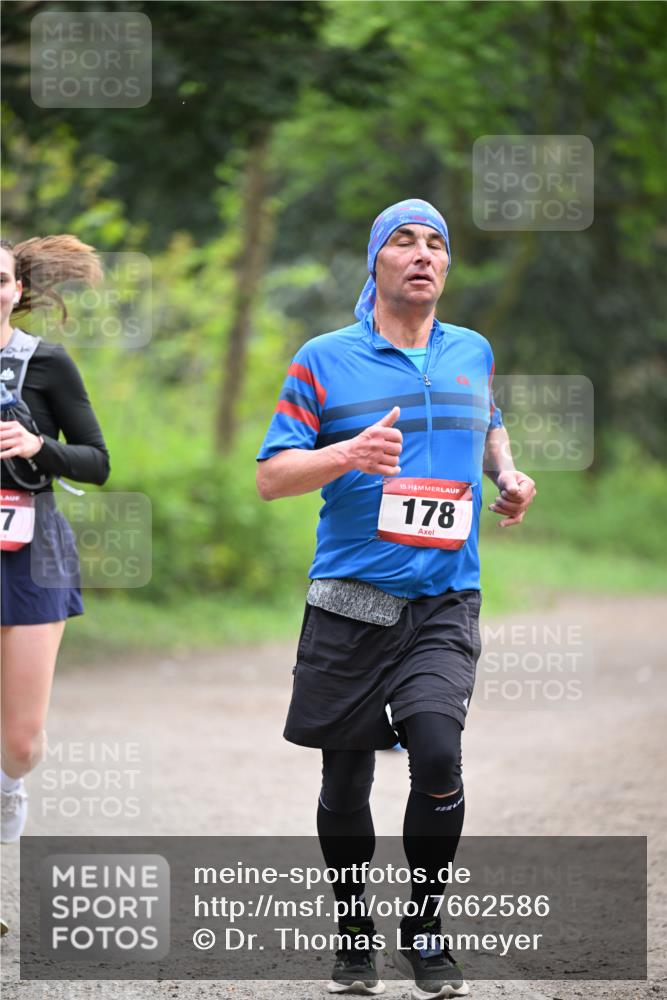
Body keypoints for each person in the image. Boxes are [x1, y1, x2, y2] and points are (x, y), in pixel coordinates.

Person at [256, 198, 536, 999]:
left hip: (444, 600)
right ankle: (352, 928)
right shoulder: (323, 359)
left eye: (435, 244)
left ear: (446, 266)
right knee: (345, 785)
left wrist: (505, 475)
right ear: (374, 263)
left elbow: (489, 423)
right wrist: (346, 452)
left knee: (437, 754)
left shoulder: (471, 351)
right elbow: (272, 476)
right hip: (350, 601)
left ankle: (424, 926)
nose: (422, 254)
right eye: (403, 242)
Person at [0, 235, 110, 844]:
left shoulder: (47, 363)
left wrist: (38, 446)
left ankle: (9, 785)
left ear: (17, 291)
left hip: (32, 549)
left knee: (19, 741)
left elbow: (97, 461)